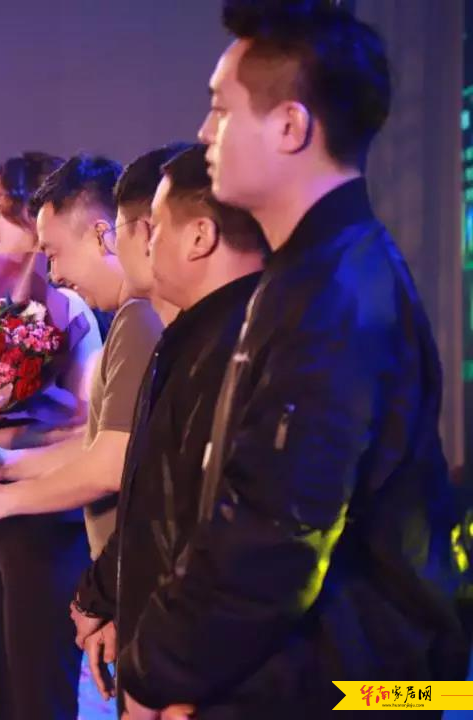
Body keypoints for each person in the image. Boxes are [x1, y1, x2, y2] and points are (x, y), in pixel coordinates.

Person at [79, 2, 469, 717]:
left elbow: (275, 535)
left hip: (353, 690)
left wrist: (160, 672)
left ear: (291, 126)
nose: (205, 132)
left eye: (222, 110)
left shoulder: (336, 291)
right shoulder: (309, 275)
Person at [71, 144, 267, 712]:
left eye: (152, 228)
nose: (141, 244)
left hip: (301, 676)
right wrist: (111, 598)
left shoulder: (247, 344)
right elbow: (158, 500)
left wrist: (172, 671)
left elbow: (238, 531)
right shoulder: (191, 338)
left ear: (200, 236)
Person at [0, 150, 186, 563]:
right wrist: (5, 465)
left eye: (55, 252)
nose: (55, 273)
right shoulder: (133, 316)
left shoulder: (137, 317)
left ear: (104, 236)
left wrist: (2, 496)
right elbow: (98, 443)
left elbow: (110, 461)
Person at [0, 152, 102, 720]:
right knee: (4, 690)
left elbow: (90, 424)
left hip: (43, 521)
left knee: (38, 695)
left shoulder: (67, 305)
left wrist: (4, 447)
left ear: (34, 212)